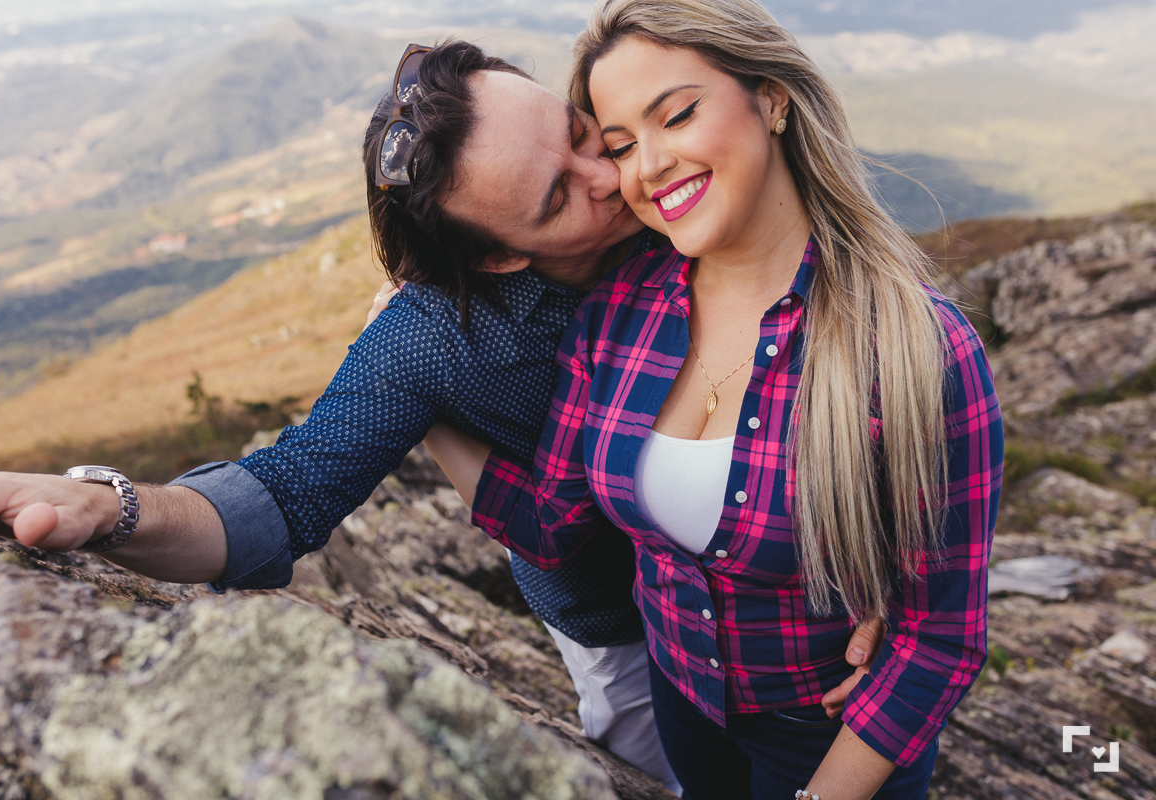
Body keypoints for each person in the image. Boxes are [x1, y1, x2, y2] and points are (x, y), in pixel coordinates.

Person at [0, 38, 883, 793]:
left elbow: (872, 349)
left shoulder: (687, 194)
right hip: (613, 613)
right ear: (496, 259)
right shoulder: (433, 337)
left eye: (576, 132)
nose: (610, 174)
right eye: (557, 197)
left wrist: (890, 567)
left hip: (781, 601)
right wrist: (112, 509)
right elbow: (285, 492)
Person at [420, 2, 1005, 799]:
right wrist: (426, 409)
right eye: (621, 146)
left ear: (770, 98)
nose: (649, 166)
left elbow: (941, 635)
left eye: (679, 115)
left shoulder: (913, 349)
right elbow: (549, 527)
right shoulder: (618, 313)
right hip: (684, 709)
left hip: (834, 743)